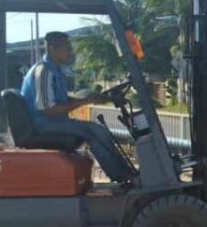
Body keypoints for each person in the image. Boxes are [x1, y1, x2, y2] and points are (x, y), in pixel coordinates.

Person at [20, 31, 134, 183]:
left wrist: (92, 99)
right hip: (43, 124)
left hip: (51, 122)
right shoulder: (44, 71)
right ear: (52, 48)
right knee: (93, 131)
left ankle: (125, 173)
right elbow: (49, 109)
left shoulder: (55, 70)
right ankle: (123, 177)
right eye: (66, 47)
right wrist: (83, 102)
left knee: (96, 130)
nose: (70, 51)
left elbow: (61, 99)